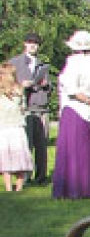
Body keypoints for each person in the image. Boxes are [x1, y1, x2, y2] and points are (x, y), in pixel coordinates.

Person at [52, 30, 90, 199]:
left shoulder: (73, 62)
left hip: (77, 109)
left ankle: (73, 189)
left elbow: (72, 90)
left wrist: (89, 101)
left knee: (74, 150)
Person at [8, 32, 51, 184]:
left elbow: (50, 87)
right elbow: (6, 85)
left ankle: (41, 177)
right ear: (24, 44)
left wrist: (47, 85)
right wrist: (21, 85)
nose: (33, 45)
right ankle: (24, 177)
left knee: (42, 146)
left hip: (41, 108)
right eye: (30, 42)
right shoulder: (14, 62)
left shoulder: (43, 64)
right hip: (24, 109)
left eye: (36, 43)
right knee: (26, 145)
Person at [0, 64, 33, 192]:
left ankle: (14, 188)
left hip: (12, 127)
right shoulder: (18, 90)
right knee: (11, 158)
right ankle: (14, 188)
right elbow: (23, 107)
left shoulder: (18, 90)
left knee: (12, 157)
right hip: (8, 127)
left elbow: (22, 107)